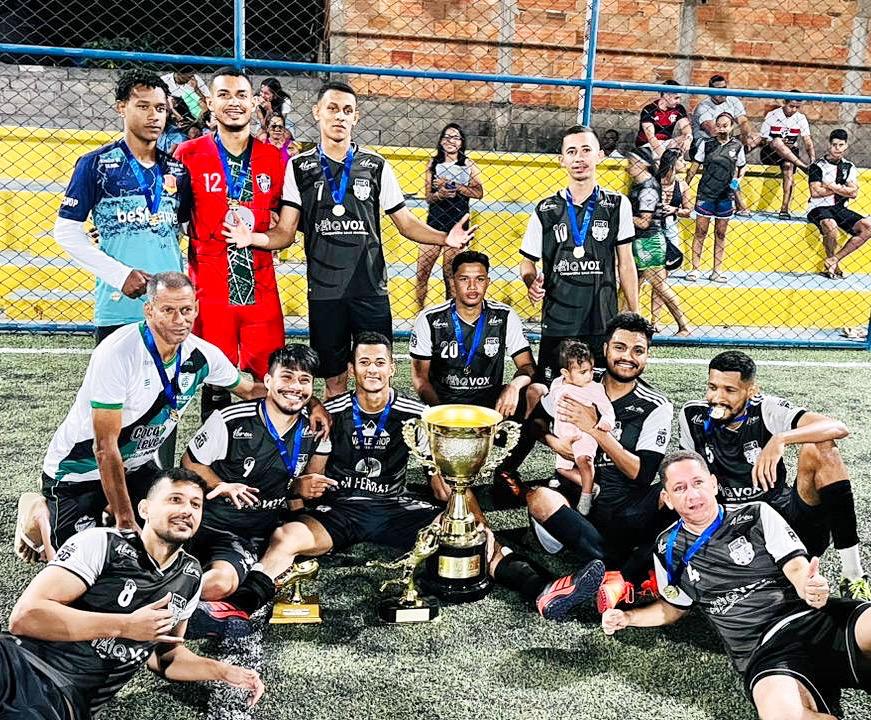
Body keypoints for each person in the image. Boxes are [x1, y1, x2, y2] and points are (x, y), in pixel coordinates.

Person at [189, 332, 604, 633]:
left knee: (472, 535)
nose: (372, 369)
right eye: (363, 362)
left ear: (392, 367)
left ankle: (544, 590)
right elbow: (309, 473)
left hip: (394, 507)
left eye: (380, 362)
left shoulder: (414, 413)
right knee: (286, 537)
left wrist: (475, 522)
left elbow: (445, 483)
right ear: (352, 369)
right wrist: (300, 500)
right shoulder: (327, 414)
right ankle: (240, 607)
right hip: (339, 511)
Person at [223, 81, 475, 399]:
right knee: (334, 381)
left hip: (370, 289)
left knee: (375, 378)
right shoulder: (298, 167)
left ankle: (372, 446)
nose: (339, 116)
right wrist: (253, 237)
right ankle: (337, 447)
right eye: (332, 108)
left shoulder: (376, 166)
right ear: (317, 113)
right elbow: (286, 233)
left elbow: (406, 223)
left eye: (347, 110)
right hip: (325, 293)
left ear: (356, 117)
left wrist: (445, 238)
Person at [603, 451, 871, 720]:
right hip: (765, 651)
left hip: (814, 619)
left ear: (713, 483)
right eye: (679, 488)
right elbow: (672, 609)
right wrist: (627, 617)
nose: (692, 495)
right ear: (668, 498)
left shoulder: (756, 514)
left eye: (698, 483)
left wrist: (807, 586)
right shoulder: (667, 548)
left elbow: (797, 566)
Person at [34, 272, 267, 555]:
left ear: (196, 308)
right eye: (168, 310)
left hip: (136, 468)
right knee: (83, 563)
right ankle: (37, 513)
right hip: (77, 474)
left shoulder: (202, 355)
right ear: (149, 309)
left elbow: (249, 390)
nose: (180, 320)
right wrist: (126, 520)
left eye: (186, 310)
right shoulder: (119, 353)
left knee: (186, 534)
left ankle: (109, 511)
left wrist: (307, 399)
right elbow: (104, 448)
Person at [1, 468, 264, 718]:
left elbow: (167, 656)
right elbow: (25, 617)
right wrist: (125, 626)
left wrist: (222, 671)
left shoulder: (190, 577)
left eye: (196, 505)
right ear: (145, 509)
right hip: (16, 664)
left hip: (62, 699)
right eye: (175, 499)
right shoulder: (103, 544)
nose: (186, 510)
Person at [503, 313, 675, 608]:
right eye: (620, 347)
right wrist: (554, 441)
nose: (628, 357)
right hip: (577, 503)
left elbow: (643, 474)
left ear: (647, 355)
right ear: (605, 348)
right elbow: (535, 423)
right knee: (539, 497)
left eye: (638, 350)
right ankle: (623, 571)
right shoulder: (576, 380)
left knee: (674, 493)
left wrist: (595, 428)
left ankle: (604, 567)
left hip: (626, 508)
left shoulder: (655, 405)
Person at [679, 350, 871, 599]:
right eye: (712, 387)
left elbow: (837, 427)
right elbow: (685, 470)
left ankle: (853, 575)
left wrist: (781, 439)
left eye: (730, 390)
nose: (717, 398)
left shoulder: (766, 409)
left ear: (751, 391)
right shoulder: (692, 416)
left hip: (787, 521)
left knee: (821, 447)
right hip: (731, 528)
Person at [174, 67, 286, 421]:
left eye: (241, 95)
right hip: (209, 281)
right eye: (223, 95)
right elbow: (171, 215)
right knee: (215, 375)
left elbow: (287, 222)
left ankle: (261, 457)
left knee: (265, 377)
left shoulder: (275, 159)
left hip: (260, 281)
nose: (233, 103)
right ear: (209, 103)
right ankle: (213, 457)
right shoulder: (187, 154)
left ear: (255, 104)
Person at [181, 344, 329, 602]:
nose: (295, 387)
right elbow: (190, 462)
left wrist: (299, 489)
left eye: (304, 380)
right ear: (268, 381)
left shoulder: (315, 430)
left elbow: (298, 487)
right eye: (287, 377)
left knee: (218, 585)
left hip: (247, 534)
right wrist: (223, 485)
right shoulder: (230, 420)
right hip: (204, 522)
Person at [55, 69, 191, 345]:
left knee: (169, 388)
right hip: (119, 305)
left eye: (161, 108)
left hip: (171, 307)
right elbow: (66, 232)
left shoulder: (177, 169)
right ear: (121, 108)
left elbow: (187, 227)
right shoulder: (95, 164)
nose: (154, 116)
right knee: (116, 388)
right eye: (143, 106)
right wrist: (120, 275)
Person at [519, 124, 639, 383]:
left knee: (599, 395)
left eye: (586, 150)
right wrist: (531, 283)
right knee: (552, 395)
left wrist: (635, 314)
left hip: (602, 318)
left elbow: (626, 263)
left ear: (600, 155)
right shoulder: (546, 209)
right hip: (558, 320)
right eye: (571, 152)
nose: (579, 158)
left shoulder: (618, 204)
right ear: (562, 160)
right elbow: (527, 263)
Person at [410, 250, 535, 416]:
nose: (472, 286)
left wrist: (514, 386)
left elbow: (528, 366)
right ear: (453, 282)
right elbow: (420, 378)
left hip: (490, 406)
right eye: (464, 279)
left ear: (488, 282)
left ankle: (514, 441)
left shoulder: (504, 316)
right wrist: (442, 413)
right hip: (443, 404)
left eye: (480, 279)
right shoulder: (430, 318)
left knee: (535, 390)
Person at [415, 123, 484, 309]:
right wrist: (440, 194)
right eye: (446, 137)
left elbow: (479, 192)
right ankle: (418, 315)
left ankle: (449, 314)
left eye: (455, 137)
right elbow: (429, 197)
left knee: (450, 275)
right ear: (441, 141)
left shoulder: (468, 164)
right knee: (422, 273)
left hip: (457, 224)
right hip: (434, 224)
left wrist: (454, 185)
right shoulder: (432, 163)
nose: (450, 141)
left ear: (461, 143)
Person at [626, 147, 690, 335]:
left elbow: (644, 222)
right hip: (640, 241)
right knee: (632, 284)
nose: (628, 166)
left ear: (643, 164)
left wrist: (622, 215)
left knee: (660, 286)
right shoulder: (641, 185)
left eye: (632, 162)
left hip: (649, 241)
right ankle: (631, 321)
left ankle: (683, 325)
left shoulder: (648, 189)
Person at [548, 341, 615, 516]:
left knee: (584, 462)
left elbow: (607, 408)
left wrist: (607, 421)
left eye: (591, 370)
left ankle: (585, 497)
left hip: (584, 434)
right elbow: (551, 404)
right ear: (565, 373)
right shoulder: (557, 384)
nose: (589, 375)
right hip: (564, 435)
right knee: (562, 469)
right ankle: (591, 486)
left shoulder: (595, 388)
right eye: (583, 372)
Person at [686, 112, 746, 283]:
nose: (721, 128)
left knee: (720, 234)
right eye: (719, 125)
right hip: (706, 192)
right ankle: (695, 269)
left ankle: (716, 271)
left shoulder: (737, 146)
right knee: (700, 232)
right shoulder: (706, 144)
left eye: (725, 125)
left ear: (732, 126)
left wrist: (738, 180)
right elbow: (695, 166)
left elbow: (742, 167)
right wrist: (685, 185)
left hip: (725, 195)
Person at [807, 129, 871, 278]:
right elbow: (815, 192)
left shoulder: (848, 167)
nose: (837, 148)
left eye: (841, 145)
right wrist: (843, 189)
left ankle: (834, 260)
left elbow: (854, 193)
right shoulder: (818, 166)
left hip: (840, 208)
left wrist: (830, 186)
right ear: (829, 145)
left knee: (868, 227)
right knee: (831, 226)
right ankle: (832, 264)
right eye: (834, 144)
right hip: (819, 207)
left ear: (846, 146)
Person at [759, 94, 814, 219]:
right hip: (771, 152)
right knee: (777, 141)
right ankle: (803, 166)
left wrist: (813, 160)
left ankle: (784, 208)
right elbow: (762, 139)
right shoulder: (772, 114)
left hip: (790, 153)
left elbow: (807, 140)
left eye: (797, 107)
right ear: (784, 103)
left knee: (789, 166)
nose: (794, 110)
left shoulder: (800, 118)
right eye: (791, 106)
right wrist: (777, 142)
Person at [654, 148, 692, 329]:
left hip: (670, 227)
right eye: (681, 160)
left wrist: (674, 209)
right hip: (652, 228)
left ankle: (655, 320)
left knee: (661, 278)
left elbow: (688, 210)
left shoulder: (682, 185)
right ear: (672, 163)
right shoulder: (653, 182)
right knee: (644, 276)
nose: (684, 163)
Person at [691, 74, 761, 150]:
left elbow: (743, 121)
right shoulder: (703, 107)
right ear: (710, 92)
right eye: (718, 89)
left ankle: (733, 155)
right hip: (707, 142)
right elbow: (713, 131)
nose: (723, 92)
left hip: (728, 139)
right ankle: (730, 154)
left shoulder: (733, 100)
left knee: (756, 137)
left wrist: (746, 136)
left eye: (724, 88)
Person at [634, 79, 691, 156]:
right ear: (666, 96)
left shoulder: (679, 108)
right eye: (676, 98)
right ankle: (671, 161)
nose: (679, 101)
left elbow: (685, 126)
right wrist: (663, 157)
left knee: (686, 137)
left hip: (666, 143)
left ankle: (676, 159)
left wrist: (688, 137)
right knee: (664, 162)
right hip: (647, 144)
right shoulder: (649, 109)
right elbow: (651, 137)